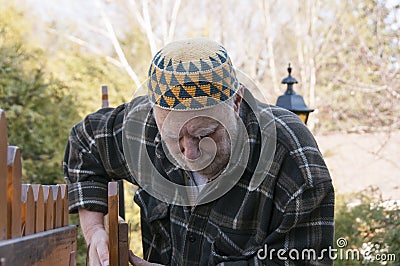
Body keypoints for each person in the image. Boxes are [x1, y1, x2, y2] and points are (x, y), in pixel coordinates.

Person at [64, 38, 335, 265]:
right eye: (172, 137)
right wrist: (94, 232)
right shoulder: (141, 127)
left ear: (236, 102)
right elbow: (84, 143)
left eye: (204, 135)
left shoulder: (292, 159)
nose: (190, 154)